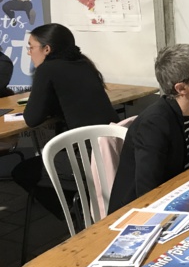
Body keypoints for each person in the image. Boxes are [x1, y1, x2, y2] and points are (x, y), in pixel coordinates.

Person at [12, 23, 119, 219]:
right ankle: (81, 207)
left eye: (31, 47)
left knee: (24, 171)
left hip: (88, 158)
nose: (29, 53)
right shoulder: (84, 64)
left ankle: (75, 217)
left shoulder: (47, 69)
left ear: (46, 49)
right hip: (112, 151)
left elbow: (32, 118)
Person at [108, 44, 189, 214]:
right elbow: (147, 192)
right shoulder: (154, 124)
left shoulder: (188, 111)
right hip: (135, 212)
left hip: (173, 197)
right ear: (181, 88)